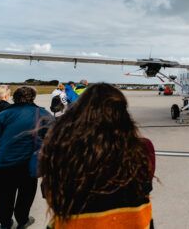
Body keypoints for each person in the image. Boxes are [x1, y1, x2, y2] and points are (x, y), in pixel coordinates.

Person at [40, 83, 155, 228]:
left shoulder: (62, 147)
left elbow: (48, 192)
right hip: (132, 222)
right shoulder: (143, 147)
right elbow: (146, 186)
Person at [0, 86, 54, 229]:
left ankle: (5, 223)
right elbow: (53, 138)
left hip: (4, 162)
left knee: (4, 194)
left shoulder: (3, 114)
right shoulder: (42, 114)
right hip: (28, 163)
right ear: (33, 97)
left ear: (14, 98)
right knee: (26, 194)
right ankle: (22, 220)